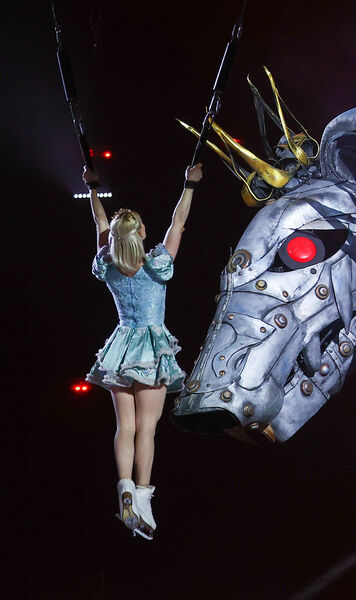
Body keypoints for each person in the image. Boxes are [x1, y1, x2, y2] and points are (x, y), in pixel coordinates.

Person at [82, 163, 202, 539]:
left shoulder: (109, 266)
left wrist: (93, 189)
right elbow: (178, 223)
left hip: (121, 348)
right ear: (142, 234)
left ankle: (124, 489)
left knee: (126, 427)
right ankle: (144, 497)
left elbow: (100, 225)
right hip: (151, 349)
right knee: (147, 429)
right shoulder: (157, 265)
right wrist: (189, 185)